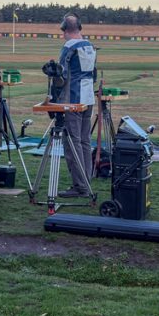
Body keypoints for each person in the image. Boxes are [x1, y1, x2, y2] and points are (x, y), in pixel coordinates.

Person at [56, 13, 97, 198]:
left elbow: (61, 76)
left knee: (73, 143)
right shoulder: (89, 45)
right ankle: (86, 180)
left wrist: (54, 97)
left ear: (65, 28)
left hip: (73, 99)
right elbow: (93, 74)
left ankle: (80, 186)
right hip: (88, 98)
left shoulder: (68, 47)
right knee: (85, 141)